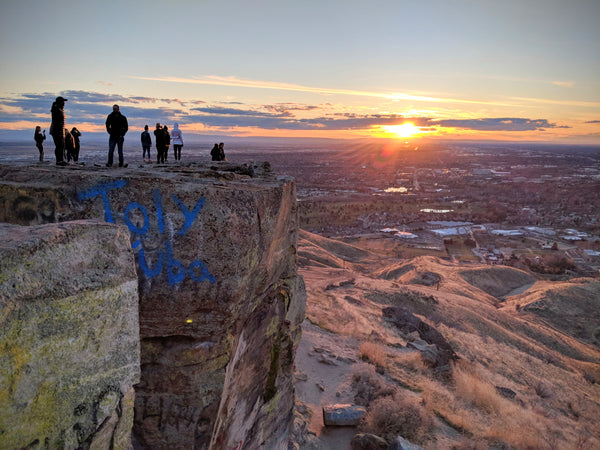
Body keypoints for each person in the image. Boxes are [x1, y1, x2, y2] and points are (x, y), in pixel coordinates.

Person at [50, 96, 67, 165]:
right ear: (60, 102)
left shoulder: (60, 109)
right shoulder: (56, 109)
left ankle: (60, 160)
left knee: (61, 146)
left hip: (60, 130)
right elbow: (56, 121)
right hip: (57, 130)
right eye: (63, 102)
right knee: (59, 146)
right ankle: (59, 160)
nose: (64, 103)